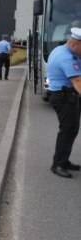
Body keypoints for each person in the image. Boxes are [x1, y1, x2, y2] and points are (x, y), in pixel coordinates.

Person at [46, 27, 81, 178]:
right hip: (63, 98)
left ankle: (64, 160)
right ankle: (58, 164)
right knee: (67, 130)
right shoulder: (67, 58)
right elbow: (78, 82)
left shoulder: (62, 49)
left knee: (71, 130)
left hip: (66, 96)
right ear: (75, 44)